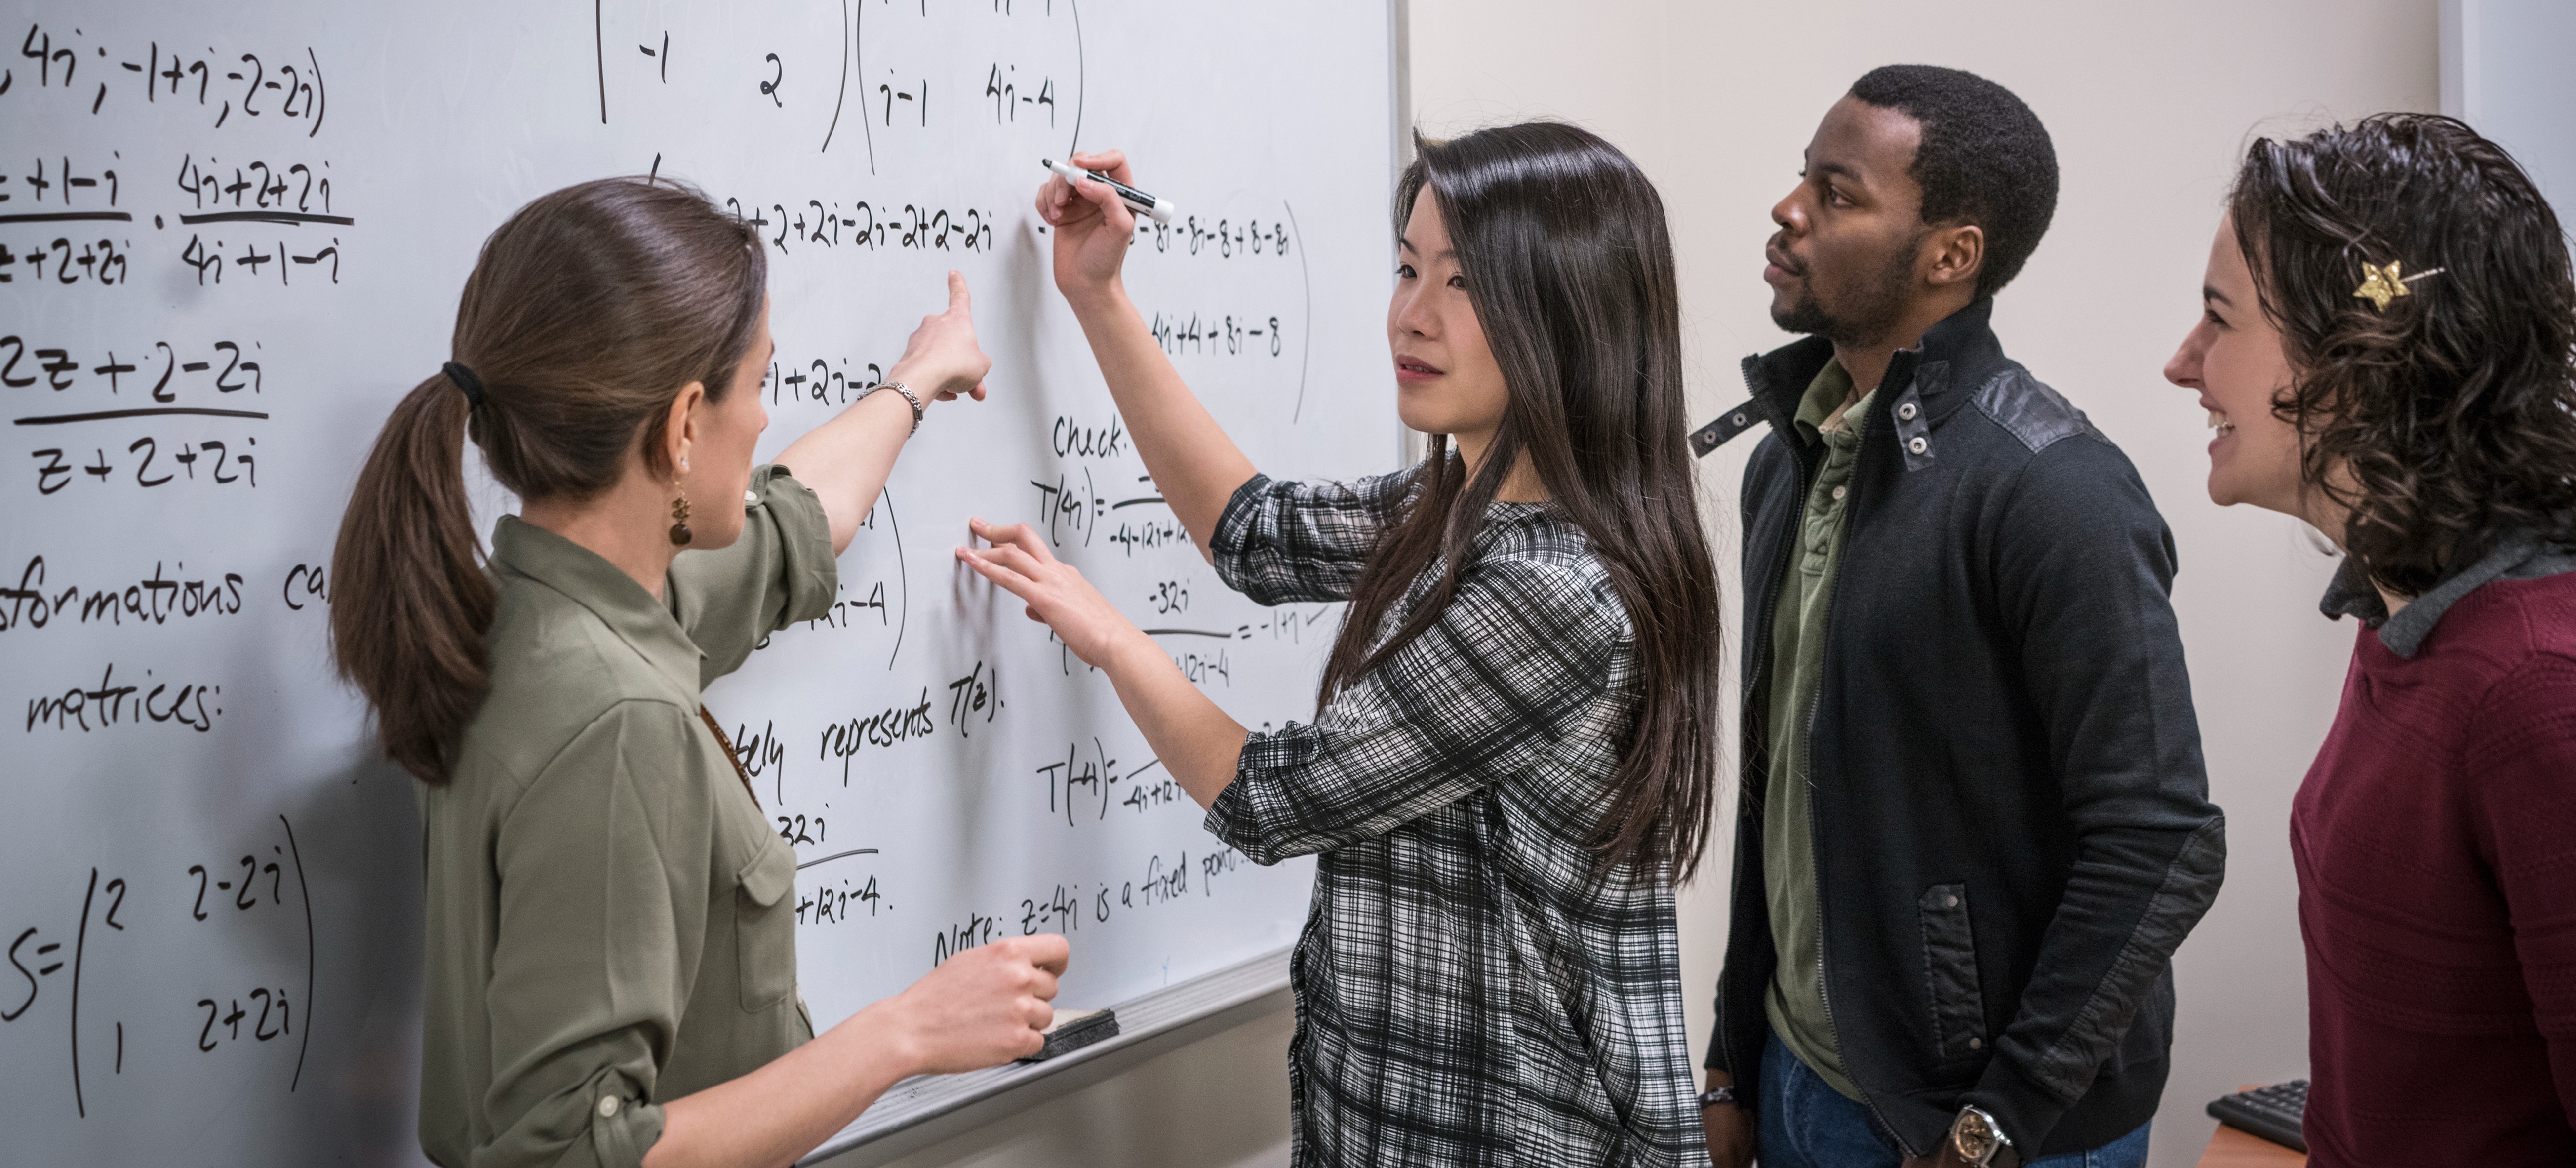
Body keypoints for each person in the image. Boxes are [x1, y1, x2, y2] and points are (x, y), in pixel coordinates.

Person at [958, 124, 1724, 1165]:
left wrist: (1106, 635)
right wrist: (1097, 295)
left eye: (1462, 284)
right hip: (1389, 1117)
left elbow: (1273, 799)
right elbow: (1252, 530)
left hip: (1510, 1134)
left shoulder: (1556, 588)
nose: (1408, 315)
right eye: (1407, 268)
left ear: (1569, 310)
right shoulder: (1458, 501)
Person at [328, 177, 1070, 1168]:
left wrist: (913, 382)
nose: (764, 422)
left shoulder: (534, 610)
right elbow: (569, 1155)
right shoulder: (615, 715)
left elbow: (790, 525)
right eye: (757, 386)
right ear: (684, 423)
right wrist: (908, 1033)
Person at [1695, 66, 2225, 1168]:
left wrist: (1993, 1124)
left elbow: (2158, 839)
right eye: (1803, 179)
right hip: (1803, 1083)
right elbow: (1778, 798)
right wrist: (1733, 1056)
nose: (1788, 211)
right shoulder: (1785, 464)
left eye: (1836, 194)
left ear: (1950, 255)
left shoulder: (2055, 489)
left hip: (1985, 1128)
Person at [2163, 112, 2576, 1166]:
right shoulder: (2402, 609)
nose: (2180, 363)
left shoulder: (2533, 694)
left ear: (2351, 359)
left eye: (2218, 320)